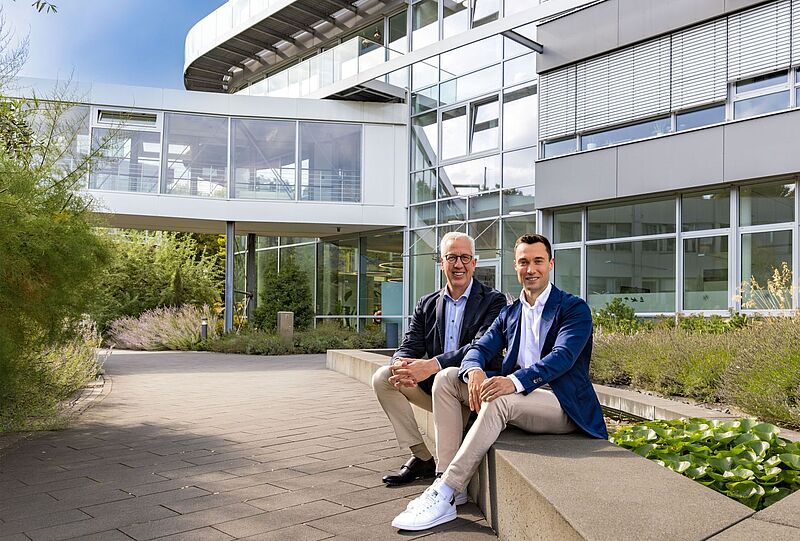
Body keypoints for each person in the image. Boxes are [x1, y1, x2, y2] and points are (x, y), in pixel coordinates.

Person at [391, 234, 608, 531]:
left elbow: (563, 357)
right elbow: (480, 348)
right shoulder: (511, 312)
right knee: (446, 378)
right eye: (523, 262)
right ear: (516, 267)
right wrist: (475, 371)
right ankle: (448, 481)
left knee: (499, 398)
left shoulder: (573, 308)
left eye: (537, 261)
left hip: (561, 403)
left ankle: (446, 491)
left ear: (550, 265)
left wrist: (514, 381)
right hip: (520, 398)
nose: (530, 269)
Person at [372, 231, 506, 489]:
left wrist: (433, 364)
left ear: (474, 263)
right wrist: (401, 362)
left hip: (472, 391)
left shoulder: (494, 301)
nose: (459, 265)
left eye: (465, 258)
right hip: (438, 391)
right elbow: (411, 343)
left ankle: (448, 474)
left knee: (445, 376)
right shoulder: (427, 303)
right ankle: (422, 457)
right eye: (452, 257)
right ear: (441, 262)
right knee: (383, 377)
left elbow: (481, 346)